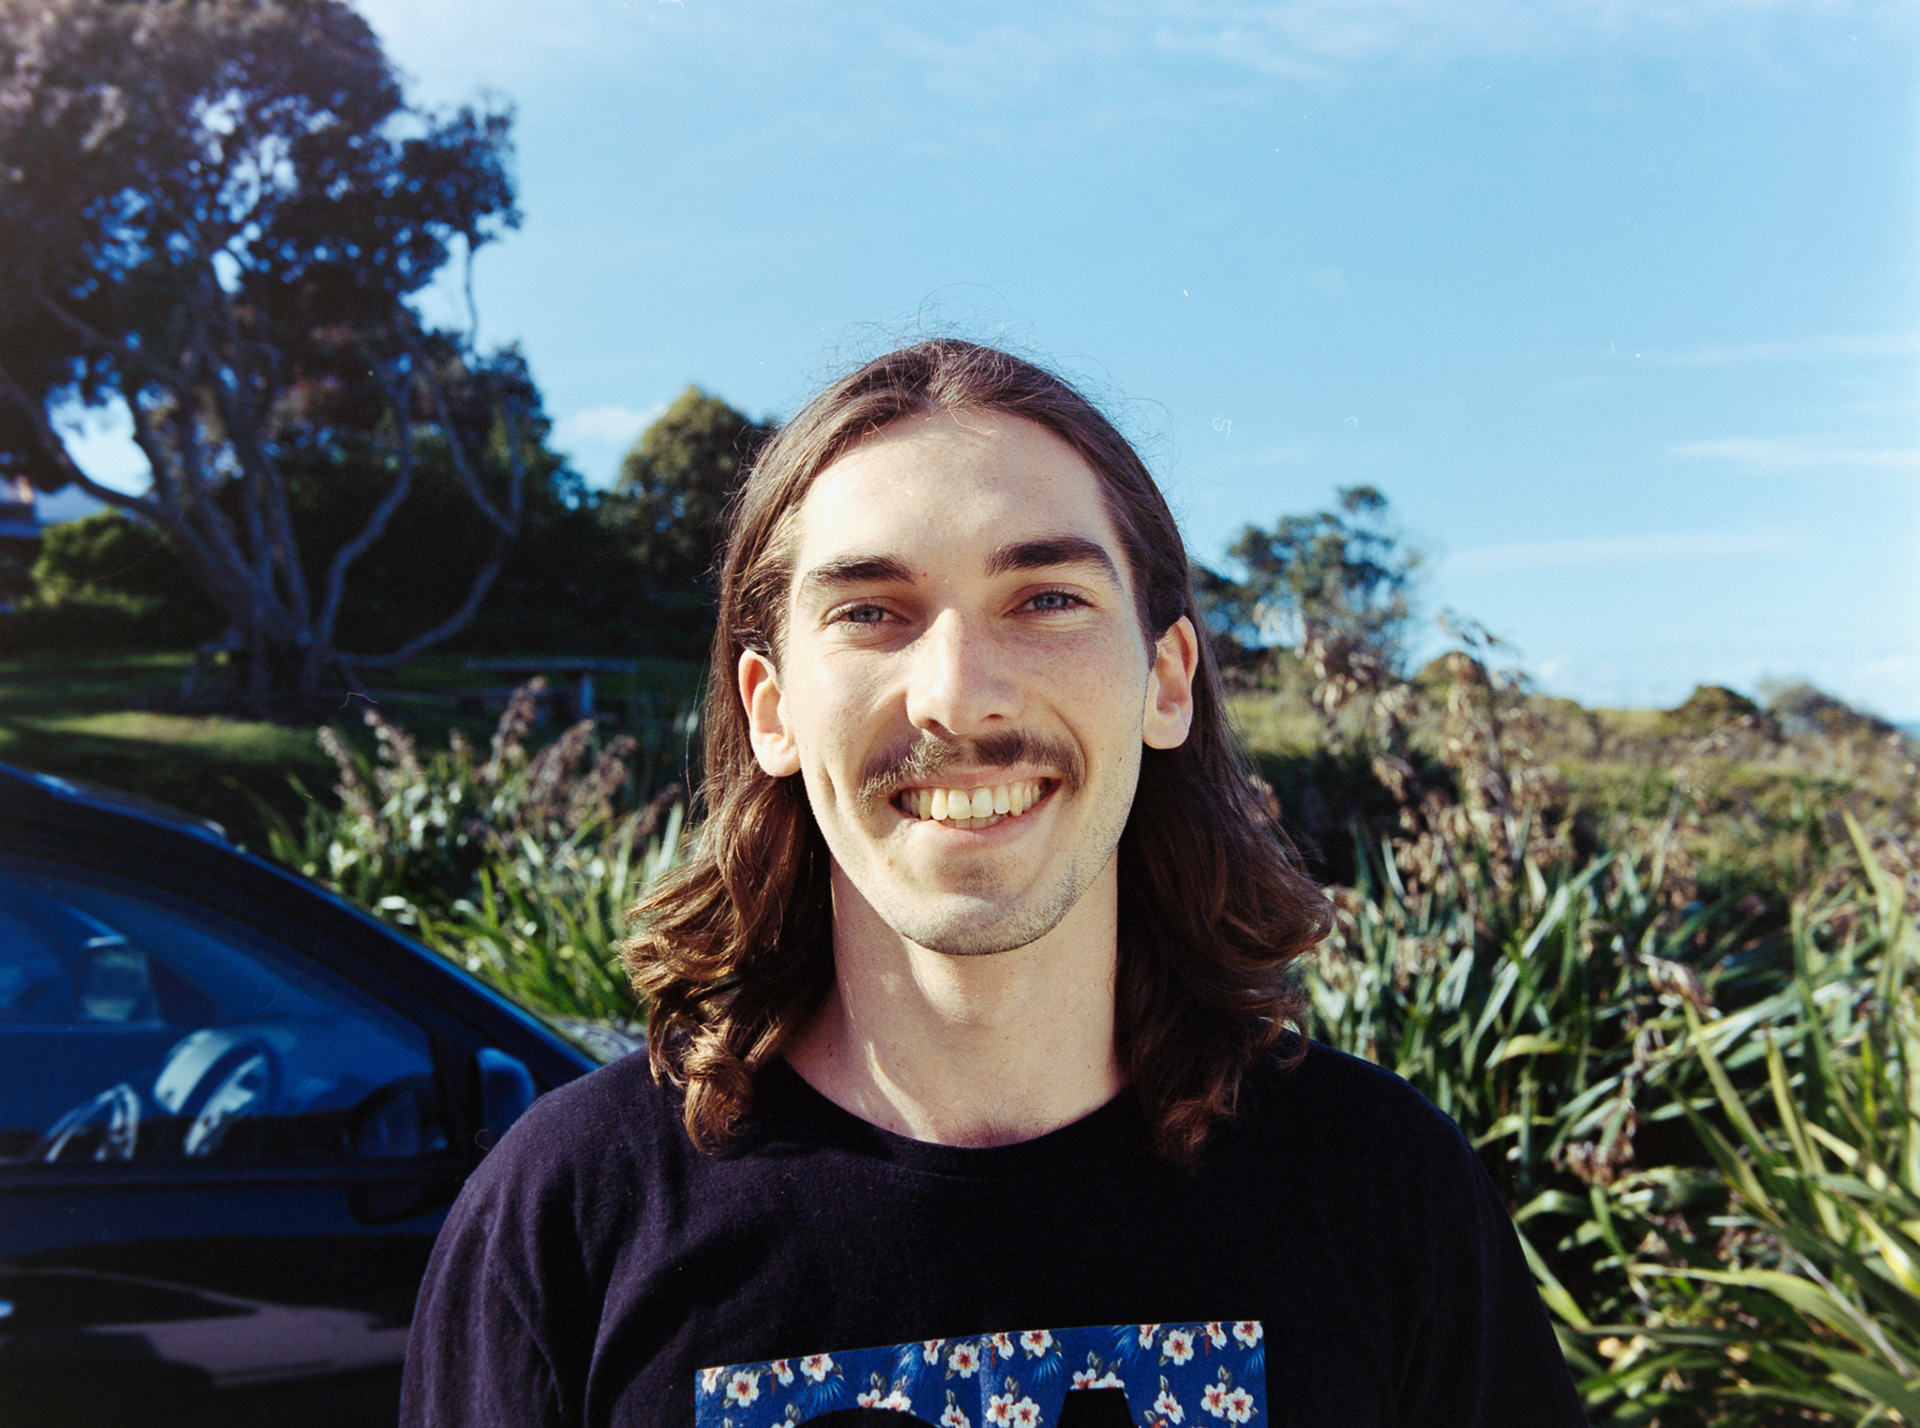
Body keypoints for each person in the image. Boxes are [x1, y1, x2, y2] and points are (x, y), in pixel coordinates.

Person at [400, 340, 1588, 1428]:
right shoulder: (566, 1219)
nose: (959, 695)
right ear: (772, 709)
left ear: (1167, 681)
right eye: (872, 612)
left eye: (1047, 599)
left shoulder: (1382, 1190)